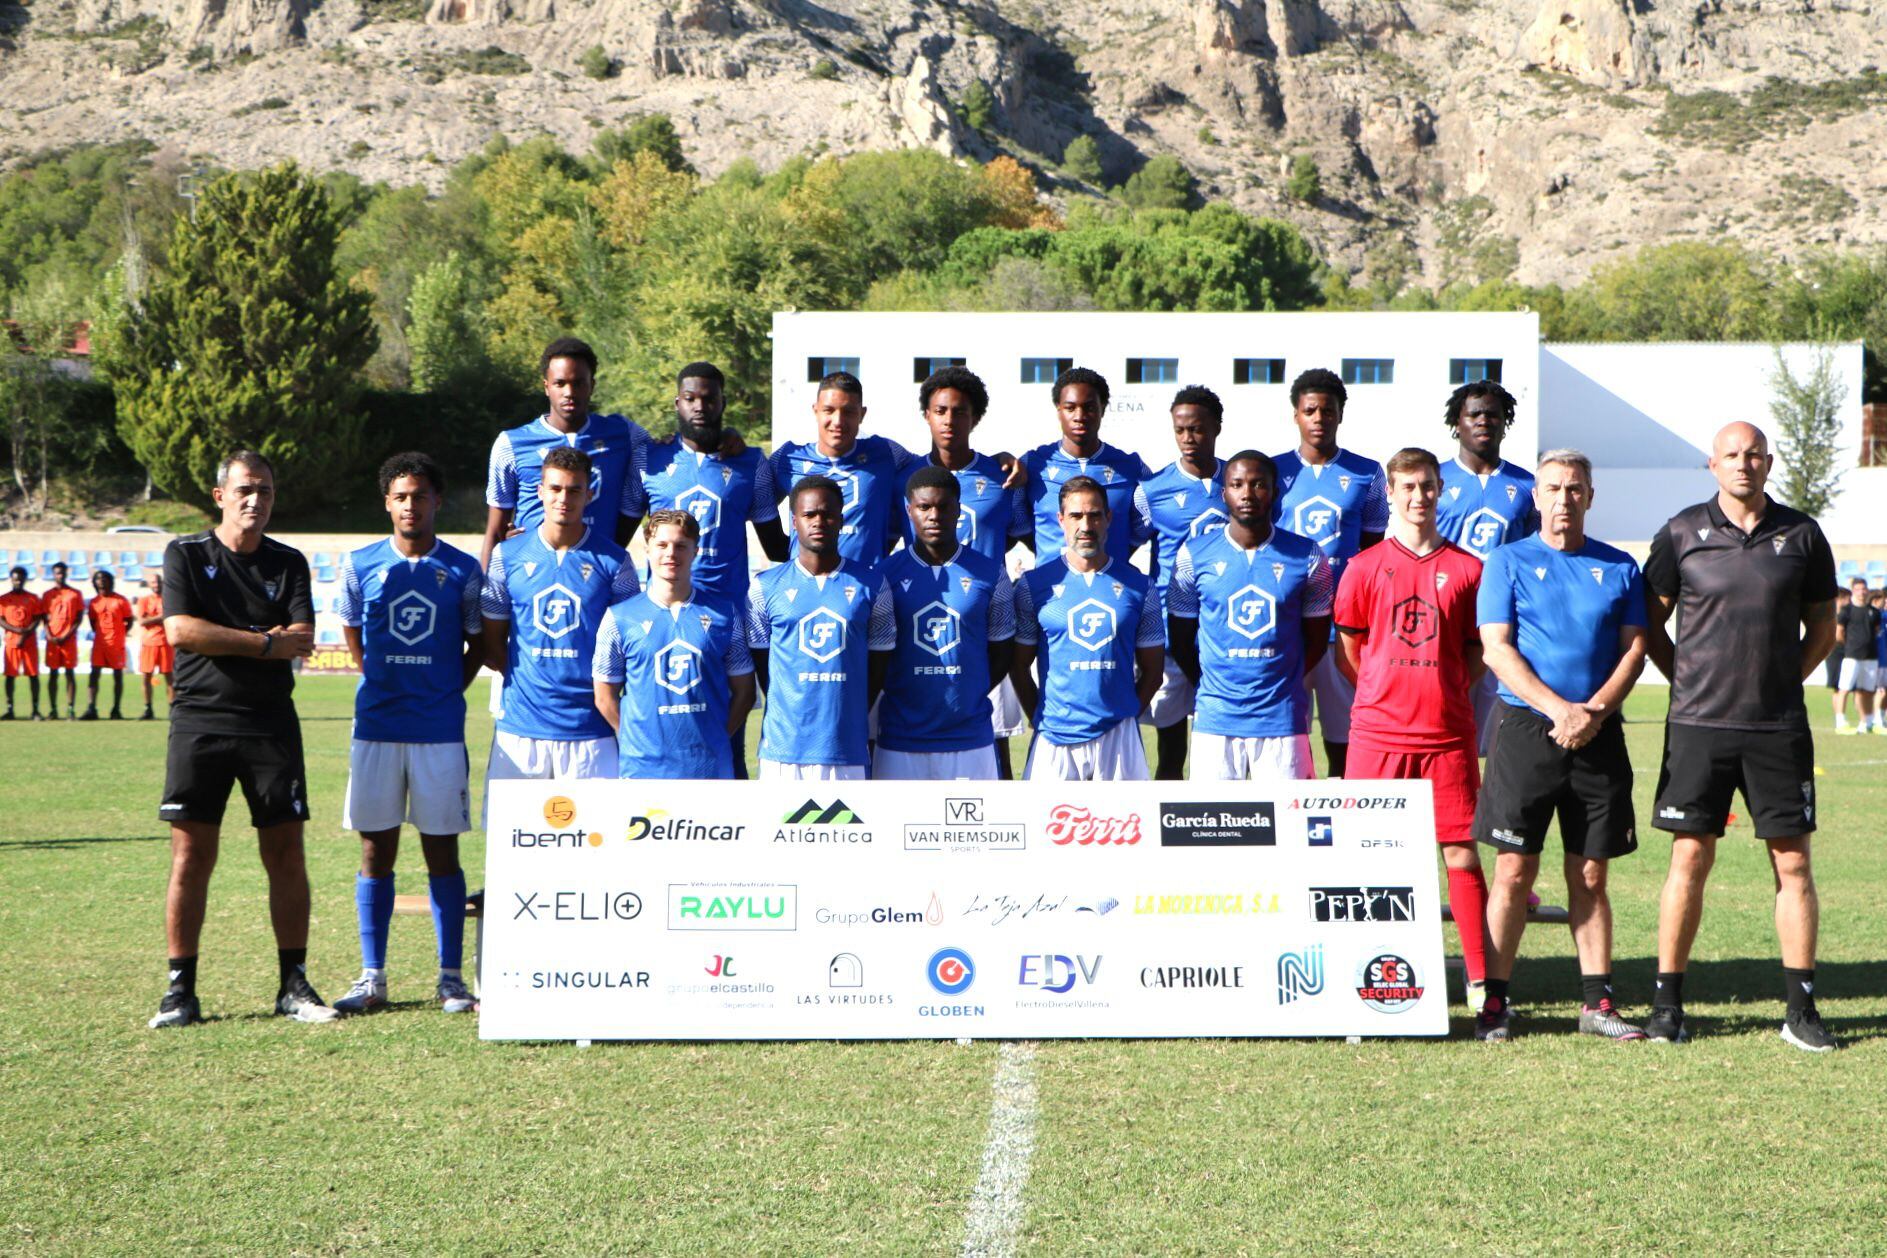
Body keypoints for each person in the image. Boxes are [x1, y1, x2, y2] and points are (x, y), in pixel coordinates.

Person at [1641, 421, 1839, 1051]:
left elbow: (1824, 630)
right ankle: (1668, 1004)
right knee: (1689, 860)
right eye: (1732, 454)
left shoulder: (1803, 534)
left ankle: (1801, 1010)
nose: (1743, 463)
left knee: (1794, 863)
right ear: (1712, 464)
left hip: (1777, 729)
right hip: (1698, 728)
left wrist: (1781, 682)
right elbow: (1649, 627)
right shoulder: (1680, 532)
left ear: (1770, 462)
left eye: (1754, 454)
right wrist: (1688, 684)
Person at [149, 450, 332, 1029]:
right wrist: (260, 642)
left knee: (285, 854)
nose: (257, 500)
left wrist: (247, 639)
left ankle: (293, 983)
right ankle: (181, 990)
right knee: (190, 857)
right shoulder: (186, 553)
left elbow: (301, 638)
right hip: (200, 721)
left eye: (267, 491)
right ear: (220, 495)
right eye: (247, 489)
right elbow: (180, 631)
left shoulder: (289, 562)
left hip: (271, 724)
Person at [1473, 450, 1648, 1042]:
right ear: (1536, 496)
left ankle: (1597, 1003)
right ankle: (1495, 1002)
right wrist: (1559, 710)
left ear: (1590, 496)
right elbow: (1496, 648)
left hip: (1598, 733)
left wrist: (1592, 712)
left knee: (1591, 873)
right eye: (1553, 488)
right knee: (1514, 871)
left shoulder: (1620, 567)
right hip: (1527, 730)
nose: (1564, 499)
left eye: (1575, 489)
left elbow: (1634, 650)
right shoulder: (1506, 562)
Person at [331, 452, 485, 1018]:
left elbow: (479, 645)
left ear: (436, 502)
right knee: (376, 849)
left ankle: (450, 979)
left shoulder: (465, 571)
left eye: (420, 495)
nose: (410, 505)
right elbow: (351, 627)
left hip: (439, 731)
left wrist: (448, 689)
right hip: (376, 727)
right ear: (387, 503)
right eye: (400, 496)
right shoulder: (359, 564)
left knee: (442, 849)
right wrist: (374, 674)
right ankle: (373, 976)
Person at [1333, 447, 1489, 1007]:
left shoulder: (1470, 569)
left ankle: (1479, 981)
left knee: (1462, 856)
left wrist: (1439, 692)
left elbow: (1476, 653)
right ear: (1392, 494)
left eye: (1427, 486)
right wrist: (1385, 695)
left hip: (1446, 736)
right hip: (1376, 739)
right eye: (1407, 487)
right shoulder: (1363, 566)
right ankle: (1368, 975)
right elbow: (1350, 649)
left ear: (1440, 489)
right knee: (1370, 861)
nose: (1419, 497)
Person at [643, 361, 789, 777]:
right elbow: (615, 533)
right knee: (663, 731)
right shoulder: (650, 459)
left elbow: (776, 545)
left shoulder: (752, 465)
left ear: (723, 402)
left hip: (725, 621)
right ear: (677, 403)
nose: (700, 406)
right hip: (663, 618)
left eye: (709, 398)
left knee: (727, 750)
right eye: (691, 398)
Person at [893, 366, 1031, 777]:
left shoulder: (1004, 477)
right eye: (940, 410)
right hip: (921, 630)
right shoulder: (903, 476)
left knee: (994, 747)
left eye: (960, 411)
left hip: (982, 627)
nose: (949, 420)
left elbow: (1022, 536)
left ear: (976, 417)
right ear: (927, 415)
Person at [1167, 450, 1333, 781]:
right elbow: (1182, 640)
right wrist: (1215, 685)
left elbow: (1315, 640)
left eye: (1258, 484)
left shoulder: (1308, 556)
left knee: (1289, 829)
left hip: (1281, 719)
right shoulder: (1192, 555)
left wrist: (1280, 681)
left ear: (1274, 492)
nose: (1247, 494)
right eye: (1237, 484)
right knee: (1215, 828)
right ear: (1224, 492)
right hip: (1215, 718)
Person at [481, 446, 640, 785]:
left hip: (591, 731)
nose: (563, 498)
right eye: (554, 488)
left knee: (598, 837)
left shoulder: (615, 561)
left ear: (589, 493)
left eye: (573, 490)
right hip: (522, 729)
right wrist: (530, 684)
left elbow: (630, 648)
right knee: (513, 836)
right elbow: (491, 643)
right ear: (540, 492)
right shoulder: (506, 556)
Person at [1273, 368, 1388, 777]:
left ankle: (1344, 827)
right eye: (1310, 410)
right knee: (1291, 745)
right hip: (1288, 628)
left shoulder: (1367, 472)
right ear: (1296, 415)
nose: (1319, 417)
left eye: (1328, 410)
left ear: (1340, 414)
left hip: (1345, 628)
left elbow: (1373, 552)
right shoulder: (1273, 472)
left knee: (1345, 740)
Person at [1011, 476, 1165, 781]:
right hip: (1054, 737)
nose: (1086, 525)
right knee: (1047, 826)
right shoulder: (1034, 585)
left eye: (1095, 515)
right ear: (1061, 520)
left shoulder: (1140, 586)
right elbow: (1018, 667)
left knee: (1126, 825)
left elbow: (1153, 673)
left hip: (1119, 737)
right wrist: (1041, 719)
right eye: (1076, 516)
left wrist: (1124, 714)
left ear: (1108, 519)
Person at [747, 477, 894, 779]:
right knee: (778, 828)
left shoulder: (873, 584)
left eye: (827, 514)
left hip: (846, 748)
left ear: (841, 519)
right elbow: (762, 665)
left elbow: (879, 664)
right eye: (809, 514)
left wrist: (849, 711)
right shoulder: (764, 586)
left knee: (850, 828)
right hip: (783, 750)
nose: (819, 521)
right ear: (793, 521)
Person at [874, 466, 1016, 779]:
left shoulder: (992, 574)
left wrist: (968, 690)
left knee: (974, 830)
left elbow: (1003, 653)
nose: (934, 515)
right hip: (900, 740)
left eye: (943, 506)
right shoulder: (883, 576)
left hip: (970, 739)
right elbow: (876, 658)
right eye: (924, 507)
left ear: (958, 509)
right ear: (909, 510)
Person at [593, 510, 757, 779]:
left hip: (709, 770)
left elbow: (745, 692)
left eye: (681, 546)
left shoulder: (725, 614)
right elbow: (604, 695)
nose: (671, 553)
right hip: (643, 771)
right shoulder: (619, 617)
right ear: (647, 550)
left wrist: (717, 738)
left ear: (695, 551)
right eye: (662, 545)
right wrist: (637, 742)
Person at [1435, 380, 1538, 754]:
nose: (1483, 421)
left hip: (1504, 622)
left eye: (1492, 415)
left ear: (1504, 422)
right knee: (1444, 726)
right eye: (1474, 414)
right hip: (1446, 617)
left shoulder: (1528, 485)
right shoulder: (1435, 479)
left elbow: (1536, 553)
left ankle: (1492, 811)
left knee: (1498, 740)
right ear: (1456, 422)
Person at [481, 337, 648, 565]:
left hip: (596, 568)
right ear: (546, 386)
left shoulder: (625, 434)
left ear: (592, 385)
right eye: (560, 383)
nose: (569, 392)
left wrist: (711, 445)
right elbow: (495, 529)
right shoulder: (510, 444)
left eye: (578, 383)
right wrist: (481, 592)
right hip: (532, 567)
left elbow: (670, 453)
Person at [1135, 386, 1231, 780]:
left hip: (1223, 631)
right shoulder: (1151, 490)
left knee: (1222, 743)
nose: (1189, 438)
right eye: (1181, 430)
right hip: (1171, 633)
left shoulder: (1240, 481)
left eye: (1198, 429)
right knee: (1170, 746)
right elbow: (1122, 551)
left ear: (1216, 428)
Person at [769, 372, 914, 571]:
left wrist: (889, 536)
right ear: (816, 410)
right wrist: (776, 547)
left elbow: (928, 475)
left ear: (862, 414)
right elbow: (752, 503)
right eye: (828, 410)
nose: (838, 421)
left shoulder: (888, 454)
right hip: (804, 589)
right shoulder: (787, 458)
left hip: (864, 589)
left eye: (848, 412)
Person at [1019, 367, 1153, 564]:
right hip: (1050, 591)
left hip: (1113, 589)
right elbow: (1018, 528)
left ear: (1103, 408)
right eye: (1070, 407)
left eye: (1089, 407)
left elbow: (1142, 530)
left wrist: (1114, 556)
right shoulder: (1032, 464)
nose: (1079, 416)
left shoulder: (1132, 467)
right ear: (1058, 410)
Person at [80, 569, 133, 720]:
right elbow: (93, 624)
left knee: (117, 676)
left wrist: (119, 634)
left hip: (116, 644)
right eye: (98, 579)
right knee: (94, 675)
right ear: (95, 582)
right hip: (99, 644)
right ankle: (91, 709)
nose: (101, 581)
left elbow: (129, 620)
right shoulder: (94, 602)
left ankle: (116, 709)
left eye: (104, 578)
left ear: (110, 581)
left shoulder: (120, 600)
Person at [1831, 577, 1880, 734]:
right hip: (1852, 656)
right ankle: (1840, 722)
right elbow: (1839, 633)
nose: (1862, 592)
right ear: (1853, 590)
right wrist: (1850, 646)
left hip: (1871, 656)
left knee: (1867, 691)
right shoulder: (1847, 611)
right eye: (1858, 589)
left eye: (1864, 589)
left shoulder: (1874, 612)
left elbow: (1877, 630)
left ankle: (1867, 722)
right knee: (1844, 688)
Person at [40, 561, 84, 719]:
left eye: (62, 573)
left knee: (70, 674)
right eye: (57, 573)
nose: (60, 575)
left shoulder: (75, 594)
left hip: (69, 640)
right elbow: (44, 618)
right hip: (52, 640)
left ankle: (71, 709)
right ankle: (53, 709)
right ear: (53, 574)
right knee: (53, 674)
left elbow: (79, 618)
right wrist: (49, 634)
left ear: (66, 574)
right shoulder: (47, 595)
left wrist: (67, 634)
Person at [1, 566, 45, 720]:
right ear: (11, 579)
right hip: (11, 643)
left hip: (29, 643)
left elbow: (37, 618)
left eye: (20, 578)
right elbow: (1, 619)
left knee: (33, 676)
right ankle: (10, 709)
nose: (18, 581)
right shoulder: (4, 599)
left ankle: (35, 710)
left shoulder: (33, 598)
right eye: (15, 578)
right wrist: (15, 630)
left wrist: (24, 633)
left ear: (25, 579)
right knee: (10, 676)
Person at [137, 572, 173, 719]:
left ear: (163, 583)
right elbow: (142, 621)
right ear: (149, 584)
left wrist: (151, 618)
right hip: (149, 642)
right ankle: (148, 709)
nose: (156, 585)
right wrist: (161, 617)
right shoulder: (144, 600)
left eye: (158, 582)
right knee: (146, 677)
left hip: (166, 642)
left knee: (170, 678)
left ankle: (172, 709)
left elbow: (171, 617)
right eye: (153, 582)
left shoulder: (169, 599)